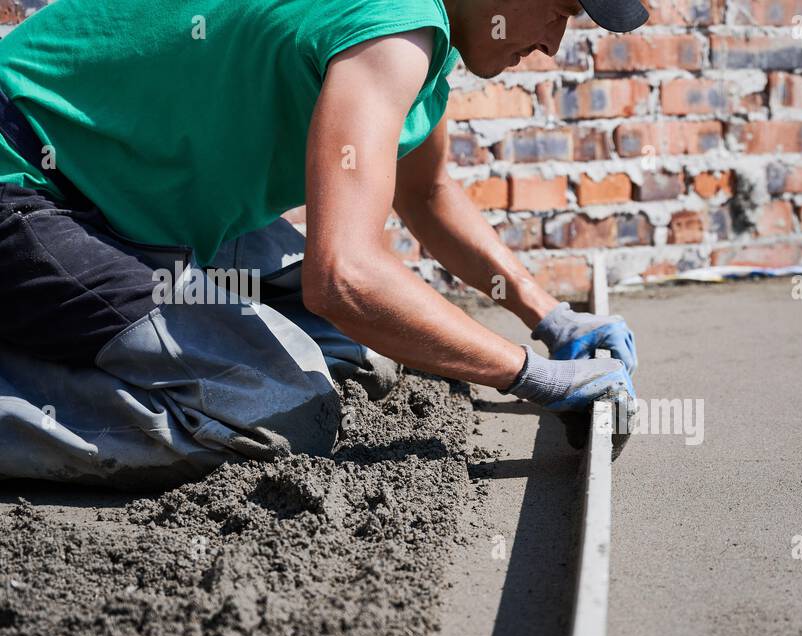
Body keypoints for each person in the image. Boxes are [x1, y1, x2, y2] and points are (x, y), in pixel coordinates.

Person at [0, 0, 646, 487]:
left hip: (112, 191)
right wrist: (533, 375)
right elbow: (345, 279)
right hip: (23, 181)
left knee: (357, 348)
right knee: (276, 409)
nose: (553, 46)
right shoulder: (392, 28)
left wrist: (552, 318)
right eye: (558, 10)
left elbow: (428, 195)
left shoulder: (418, 35)